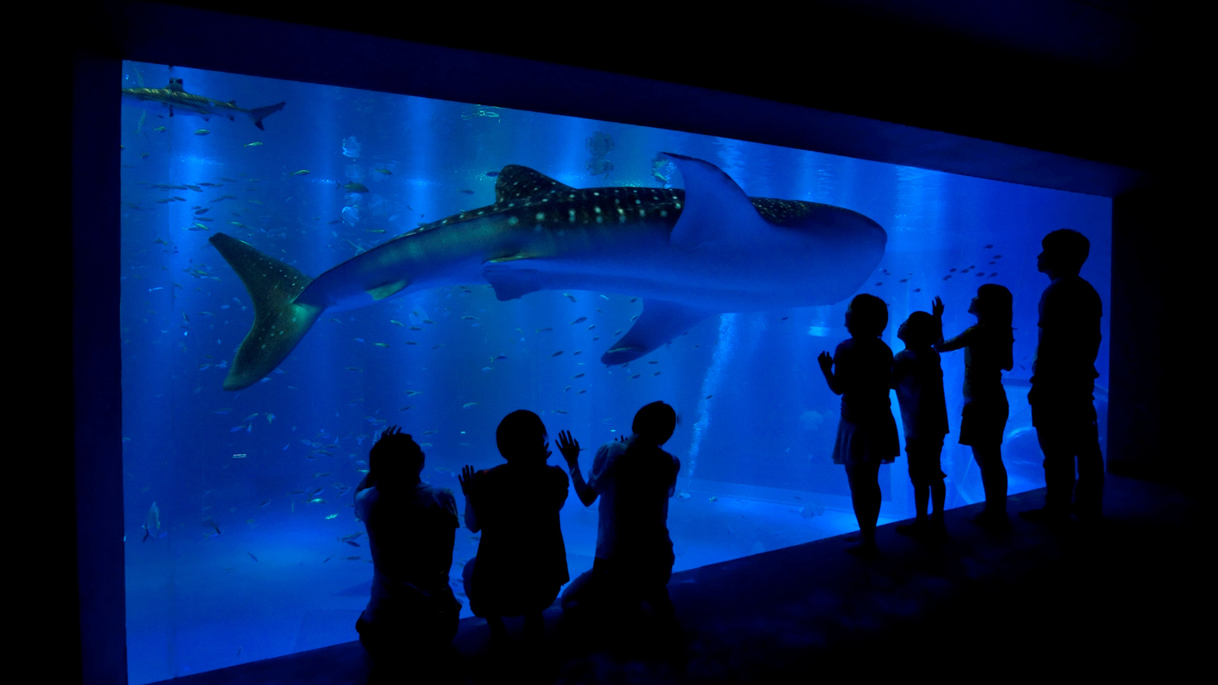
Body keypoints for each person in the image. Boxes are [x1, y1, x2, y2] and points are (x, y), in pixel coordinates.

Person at [557, 401, 681, 625]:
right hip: (659, 563)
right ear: (667, 433)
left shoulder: (612, 451)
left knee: (569, 601)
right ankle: (651, 596)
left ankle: (619, 612)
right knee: (646, 591)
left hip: (615, 566)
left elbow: (587, 497)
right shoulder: (671, 463)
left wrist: (572, 463)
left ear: (637, 422)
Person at [458, 410, 569, 641]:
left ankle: (498, 632)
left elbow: (472, 525)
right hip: (544, 588)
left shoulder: (484, 480)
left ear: (503, 445)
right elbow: (554, 508)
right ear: (540, 440)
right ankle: (533, 619)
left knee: (470, 569)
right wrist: (540, 468)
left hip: (497, 593)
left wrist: (470, 495)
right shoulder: (556, 476)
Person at [353, 426, 461, 664]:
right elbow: (447, 555)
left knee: (363, 624)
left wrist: (376, 468)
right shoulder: (442, 498)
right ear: (420, 461)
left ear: (377, 468)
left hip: (384, 633)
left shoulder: (370, 502)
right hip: (440, 625)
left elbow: (358, 494)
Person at [1021, 229, 1104, 525]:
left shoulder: (1056, 291)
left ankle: (1056, 507)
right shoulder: (1087, 290)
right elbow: (1092, 340)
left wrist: (1039, 383)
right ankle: (1087, 505)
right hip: (1079, 381)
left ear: (1057, 256)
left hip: (1055, 385)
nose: (1038, 256)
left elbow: (1050, 344)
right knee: (1085, 447)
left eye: (1044, 251)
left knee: (1056, 451)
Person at [818, 294, 900, 558]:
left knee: (857, 484)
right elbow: (888, 383)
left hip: (855, 424)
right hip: (879, 421)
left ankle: (868, 540)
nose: (844, 319)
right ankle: (869, 533)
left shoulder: (845, 349)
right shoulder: (884, 349)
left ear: (858, 319)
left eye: (848, 313)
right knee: (871, 482)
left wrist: (825, 369)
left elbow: (838, 388)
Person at [935, 285, 1015, 531]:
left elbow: (940, 346)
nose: (972, 297)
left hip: (979, 404)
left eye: (978, 296)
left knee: (986, 460)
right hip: (996, 399)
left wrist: (937, 318)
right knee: (993, 459)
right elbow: (1009, 365)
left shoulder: (976, 331)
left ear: (986, 305)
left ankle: (994, 511)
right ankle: (997, 509)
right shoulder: (1002, 331)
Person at [892, 309, 950, 539]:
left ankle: (921, 521)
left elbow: (889, 381)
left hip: (916, 426)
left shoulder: (903, 358)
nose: (901, 324)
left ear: (913, 332)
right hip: (936, 423)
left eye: (906, 322)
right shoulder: (932, 354)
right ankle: (937, 519)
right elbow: (937, 341)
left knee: (918, 476)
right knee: (934, 472)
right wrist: (937, 320)